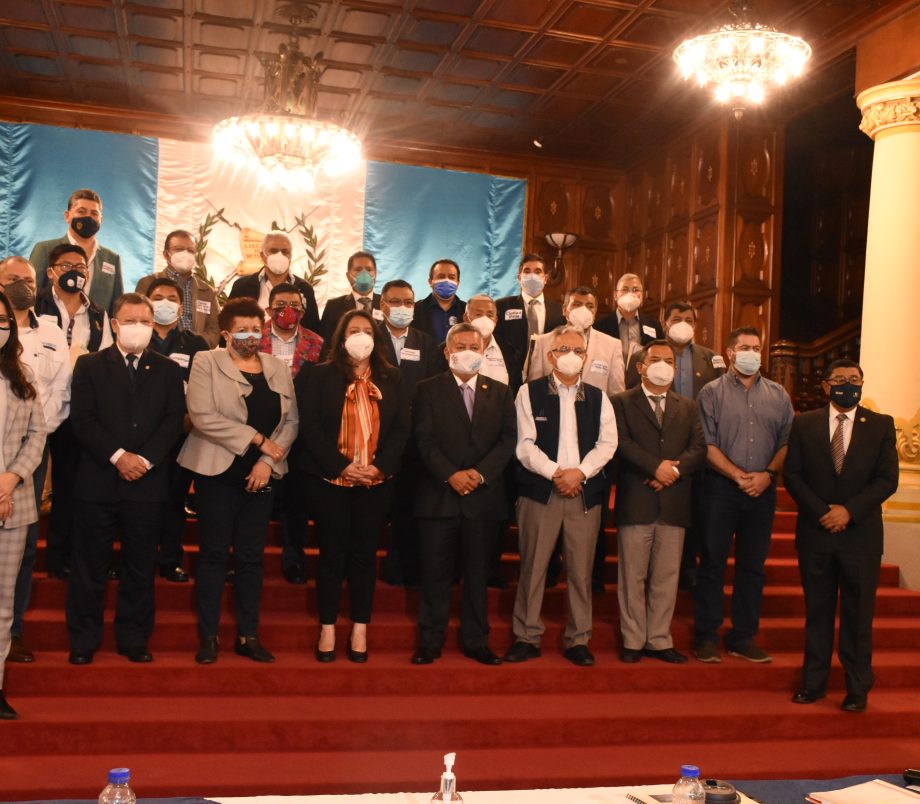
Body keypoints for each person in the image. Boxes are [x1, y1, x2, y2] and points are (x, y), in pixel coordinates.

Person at [66, 293, 186, 665]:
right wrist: (119, 457)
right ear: (115, 324)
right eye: (131, 321)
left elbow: (173, 420)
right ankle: (84, 639)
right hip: (98, 480)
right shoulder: (89, 365)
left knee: (140, 565)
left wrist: (145, 460)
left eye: (145, 322)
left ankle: (133, 637)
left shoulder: (167, 369)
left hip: (147, 484)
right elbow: (83, 419)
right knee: (89, 565)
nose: (139, 328)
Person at [178, 298, 298, 664]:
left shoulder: (277, 367)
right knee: (214, 555)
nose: (250, 336)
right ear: (227, 333)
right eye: (242, 330)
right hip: (217, 473)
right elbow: (202, 416)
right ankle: (208, 636)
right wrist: (257, 440)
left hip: (261, 475)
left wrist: (266, 461)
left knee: (250, 558)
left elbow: (290, 422)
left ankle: (248, 635)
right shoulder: (206, 361)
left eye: (255, 329)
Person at [784, 359, 899, 712]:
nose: (847, 385)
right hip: (816, 532)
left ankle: (857, 688)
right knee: (817, 612)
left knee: (858, 616)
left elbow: (887, 479)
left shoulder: (881, 425)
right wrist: (823, 511)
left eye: (854, 379)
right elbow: (793, 475)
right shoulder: (804, 423)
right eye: (840, 379)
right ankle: (813, 683)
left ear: (862, 384)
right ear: (825, 385)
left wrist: (849, 511)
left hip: (860, 535)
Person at [296, 308, 409, 663]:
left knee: (364, 555)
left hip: (376, 482)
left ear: (376, 338)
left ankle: (360, 625)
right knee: (331, 554)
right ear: (341, 337)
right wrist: (343, 466)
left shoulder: (392, 377)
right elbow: (309, 427)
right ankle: (328, 626)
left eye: (367, 330)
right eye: (353, 330)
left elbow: (402, 428)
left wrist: (378, 468)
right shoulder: (319, 375)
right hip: (330, 480)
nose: (361, 336)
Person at [506, 325, 617, 667]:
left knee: (581, 572)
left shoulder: (598, 397)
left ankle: (578, 638)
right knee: (533, 567)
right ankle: (526, 636)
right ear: (551, 356)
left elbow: (607, 444)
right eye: (564, 350)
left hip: (583, 492)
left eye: (578, 351)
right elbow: (524, 444)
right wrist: (557, 472)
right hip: (541, 492)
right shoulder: (529, 392)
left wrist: (579, 473)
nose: (572, 356)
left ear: (586, 357)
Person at [411, 323, 517, 666]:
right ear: (447, 352)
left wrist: (479, 474)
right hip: (438, 497)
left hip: (482, 500)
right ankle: (430, 641)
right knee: (434, 575)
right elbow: (423, 440)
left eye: (474, 346)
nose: (468, 352)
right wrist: (450, 475)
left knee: (477, 576)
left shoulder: (500, 391)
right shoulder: (427, 389)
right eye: (461, 346)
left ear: (484, 351)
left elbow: (508, 441)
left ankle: (476, 640)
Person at [693, 326, 793, 664]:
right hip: (720, 488)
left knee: (752, 567)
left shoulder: (779, 395)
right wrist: (737, 475)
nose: (752, 353)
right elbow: (706, 444)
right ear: (731, 352)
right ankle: (706, 636)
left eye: (756, 347)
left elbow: (786, 442)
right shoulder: (711, 392)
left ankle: (742, 637)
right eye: (745, 347)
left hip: (762, 490)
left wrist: (767, 476)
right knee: (712, 564)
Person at [611, 340, 706, 664]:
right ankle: (633, 640)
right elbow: (621, 442)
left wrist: (672, 471)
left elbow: (698, 448)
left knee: (666, 577)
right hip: (637, 500)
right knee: (632, 577)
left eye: (668, 360)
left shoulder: (688, 406)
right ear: (641, 367)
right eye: (655, 360)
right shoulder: (621, 402)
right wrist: (655, 468)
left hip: (674, 502)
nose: (662, 365)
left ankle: (659, 639)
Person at [528, 286, 624, 592]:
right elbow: (534, 385)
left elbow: (617, 393)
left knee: (592, 527)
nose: (583, 309)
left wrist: (586, 467)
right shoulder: (544, 341)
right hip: (549, 443)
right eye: (577, 303)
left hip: (593, 447)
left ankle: (591, 578)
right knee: (544, 536)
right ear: (565, 309)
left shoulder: (611, 344)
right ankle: (550, 570)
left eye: (589, 305)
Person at [0, 257, 70, 664]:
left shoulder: (50, 334)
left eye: (28, 280)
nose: (22, 286)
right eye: (13, 279)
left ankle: (11, 635)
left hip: (28, 457)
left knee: (23, 549)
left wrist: (36, 435)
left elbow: (59, 393)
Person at [34, 243, 113, 581]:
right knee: (29, 485)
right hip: (37, 408)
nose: (74, 272)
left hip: (76, 411)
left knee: (68, 488)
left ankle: (59, 556)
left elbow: (104, 360)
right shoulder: (35, 306)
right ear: (51, 272)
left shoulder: (97, 314)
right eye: (66, 266)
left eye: (80, 266)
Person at [143, 277, 210, 583]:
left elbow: (204, 388)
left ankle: (170, 559)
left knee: (174, 499)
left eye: (172, 298)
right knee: (138, 503)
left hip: (181, 435)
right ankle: (135, 559)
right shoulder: (136, 338)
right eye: (158, 297)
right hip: (139, 436)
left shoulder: (195, 344)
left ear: (182, 307)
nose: (165, 303)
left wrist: (191, 417)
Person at [0, 290, 47, 719]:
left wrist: (11, 478)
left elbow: (37, 435)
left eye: (2, 320)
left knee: (2, 607)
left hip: (13, 505)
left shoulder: (22, 374)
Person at [377, 279, 442, 589]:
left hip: (414, 440)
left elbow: (433, 389)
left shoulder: (425, 342)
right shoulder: (370, 338)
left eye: (407, 302)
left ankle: (401, 570)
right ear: (382, 306)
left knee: (407, 508)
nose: (401, 307)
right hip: (376, 436)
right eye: (395, 301)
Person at [259, 283, 323, 585]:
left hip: (301, 433)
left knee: (297, 502)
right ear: (269, 308)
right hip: (260, 432)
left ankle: (294, 560)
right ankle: (248, 559)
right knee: (255, 501)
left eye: (295, 305)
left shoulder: (317, 343)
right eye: (281, 304)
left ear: (304, 310)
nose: (288, 310)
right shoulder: (254, 338)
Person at [662, 301, 726, 591]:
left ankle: (689, 569)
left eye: (689, 319)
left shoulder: (711, 358)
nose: (683, 323)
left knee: (696, 512)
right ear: (665, 323)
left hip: (700, 446)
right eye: (677, 318)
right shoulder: (649, 355)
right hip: (662, 446)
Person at [31, 188, 123, 315]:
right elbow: (32, 294)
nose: (88, 217)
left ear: (100, 219)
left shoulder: (112, 258)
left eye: (94, 213)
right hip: (51, 325)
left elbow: (118, 307)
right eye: (81, 211)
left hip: (97, 326)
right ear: (67, 216)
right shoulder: (44, 249)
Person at [135, 229, 222, 347]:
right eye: (178, 249)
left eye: (191, 250)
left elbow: (215, 329)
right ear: (166, 254)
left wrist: (194, 345)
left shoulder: (207, 291)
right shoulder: (147, 283)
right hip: (157, 351)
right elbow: (138, 320)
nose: (185, 254)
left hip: (197, 354)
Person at [228, 232, 321, 333]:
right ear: (262, 255)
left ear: (291, 256)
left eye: (285, 252)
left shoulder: (304, 288)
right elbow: (228, 323)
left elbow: (314, 329)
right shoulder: (242, 286)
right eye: (273, 251)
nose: (279, 256)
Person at [495, 254, 564, 374]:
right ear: (519, 277)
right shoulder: (502, 306)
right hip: (509, 373)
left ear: (545, 278)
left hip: (546, 373)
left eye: (537, 272)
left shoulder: (559, 310)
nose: (532, 276)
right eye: (527, 271)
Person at [594, 273, 663, 385]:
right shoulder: (600, 325)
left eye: (635, 290)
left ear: (642, 295)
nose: (630, 294)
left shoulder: (654, 324)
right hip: (609, 382)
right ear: (615, 295)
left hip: (642, 383)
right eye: (625, 290)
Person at [320, 251, 381, 348]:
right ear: (348, 276)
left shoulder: (386, 304)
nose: (364, 274)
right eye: (358, 269)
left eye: (369, 269)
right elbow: (326, 343)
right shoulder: (333, 306)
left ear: (376, 274)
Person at [465, 294, 524, 394]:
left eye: (489, 315)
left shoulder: (510, 351)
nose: (484, 319)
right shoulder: (450, 349)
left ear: (495, 320)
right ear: (466, 318)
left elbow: (516, 388)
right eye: (478, 314)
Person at [413, 259, 466, 345]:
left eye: (451, 277)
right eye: (441, 276)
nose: (447, 280)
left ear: (458, 283)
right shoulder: (415, 310)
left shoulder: (467, 310)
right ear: (430, 282)